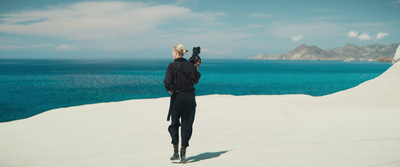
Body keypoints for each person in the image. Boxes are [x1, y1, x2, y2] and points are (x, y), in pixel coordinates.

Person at [164, 44, 201, 163]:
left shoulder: (172, 65)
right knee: (187, 125)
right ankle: (183, 154)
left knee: (174, 124)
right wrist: (196, 67)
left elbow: (167, 83)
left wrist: (170, 89)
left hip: (177, 97)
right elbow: (195, 80)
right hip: (190, 98)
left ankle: (175, 152)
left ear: (175, 52)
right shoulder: (190, 65)